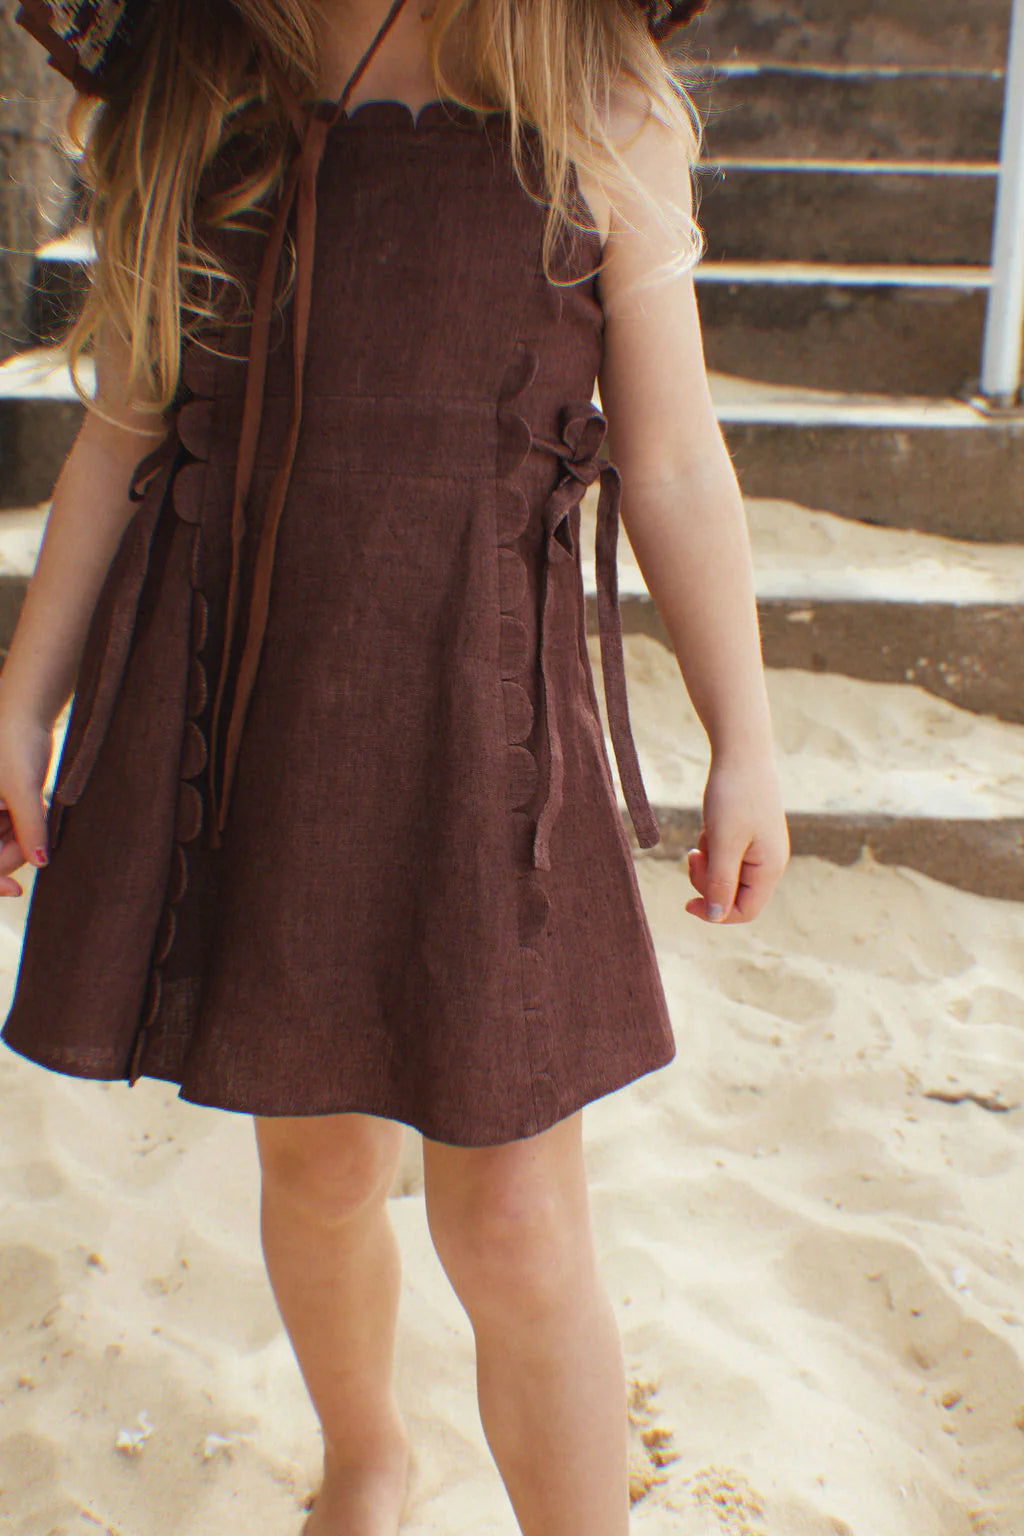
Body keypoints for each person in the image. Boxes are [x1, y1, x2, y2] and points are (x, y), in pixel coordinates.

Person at [1, 0, 789, 1530]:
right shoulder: (200, 92)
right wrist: (25, 703)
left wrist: (743, 739)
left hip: (483, 734)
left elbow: (677, 458)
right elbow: (121, 435)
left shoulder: (591, 97)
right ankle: (364, 1453)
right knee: (316, 1165)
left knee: (516, 1221)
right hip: (254, 718)